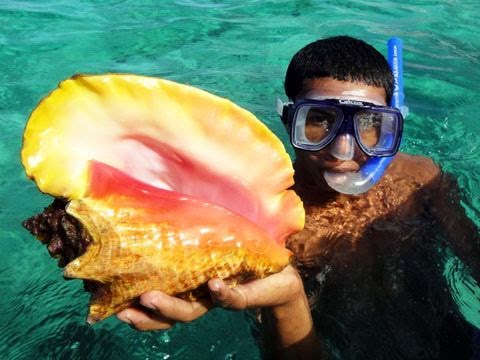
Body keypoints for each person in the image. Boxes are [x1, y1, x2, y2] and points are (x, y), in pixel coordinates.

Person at [117, 36, 480, 359]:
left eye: (370, 124)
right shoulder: (269, 220)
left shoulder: (421, 179)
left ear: (392, 126)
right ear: (288, 121)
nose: (343, 149)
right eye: (319, 121)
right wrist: (285, 297)